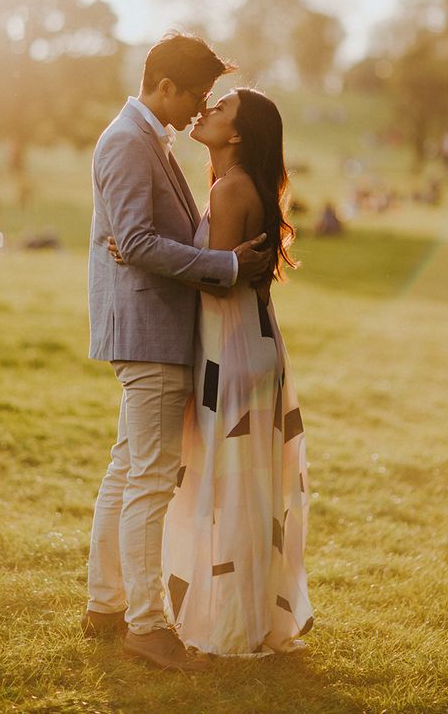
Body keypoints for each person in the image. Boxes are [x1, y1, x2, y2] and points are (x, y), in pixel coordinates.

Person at [83, 33, 272, 671]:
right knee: (152, 480)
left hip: (154, 327)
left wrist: (144, 245)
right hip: (151, 330)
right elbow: (134, 240)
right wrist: (222, 265)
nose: (199, 108)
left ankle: (106, 603)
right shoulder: (125, 142)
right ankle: (144, 624)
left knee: (127, 468)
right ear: (165, 85)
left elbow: (135, 238)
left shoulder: (147, 139)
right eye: (194, 94)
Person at [158, 88, 313, 655]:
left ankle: (232, 624)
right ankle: (242, 616)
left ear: (239, 133)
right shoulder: (235, 186)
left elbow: (214, 276)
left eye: (219, 109)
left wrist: (142, 255)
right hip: (247, 343)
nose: (204, 113)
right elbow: (221, 268)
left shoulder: (232, 190)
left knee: (229, 487)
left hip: (234, 350)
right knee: (241, 488)